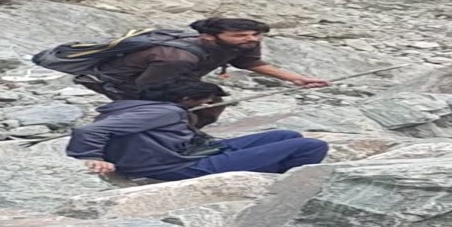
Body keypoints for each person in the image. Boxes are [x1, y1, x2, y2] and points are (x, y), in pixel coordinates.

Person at [77, 17, 330, 127]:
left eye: (255, 34)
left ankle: (186, 132)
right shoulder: (178, 55)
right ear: (210, 37)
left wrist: (296, 79)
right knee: (172, 110)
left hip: (174, 77)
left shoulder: (242, 44)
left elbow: (248, 64)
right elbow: (145, 89)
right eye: (240, 35)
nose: (251, 39)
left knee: (210, 103)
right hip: (125, 82)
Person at [66, 82, 329, 181]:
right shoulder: (165, 112)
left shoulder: (141, 107)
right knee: (311, 146)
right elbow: (90, 131)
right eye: (209, 102)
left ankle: (265, 169)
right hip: (174, 166)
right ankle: (274, 182)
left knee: (284, 136)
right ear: (191, 100)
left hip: (185, 152)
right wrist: (92, 157)